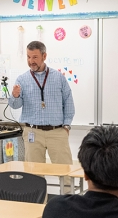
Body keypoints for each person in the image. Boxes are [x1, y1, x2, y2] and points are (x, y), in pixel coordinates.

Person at [10, 41, 75, 174]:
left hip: (57, 132)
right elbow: (15, 106)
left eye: (34, 57)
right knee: (34, 174)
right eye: (28, 57)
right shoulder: (22, 79)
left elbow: (68, 102)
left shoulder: (58, 78)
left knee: (66, 173)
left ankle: (68, 195)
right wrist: (15, 96)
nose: (31, 61)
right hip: (32, 132)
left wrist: (67, 126)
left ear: (44, 56)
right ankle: (39, 196)